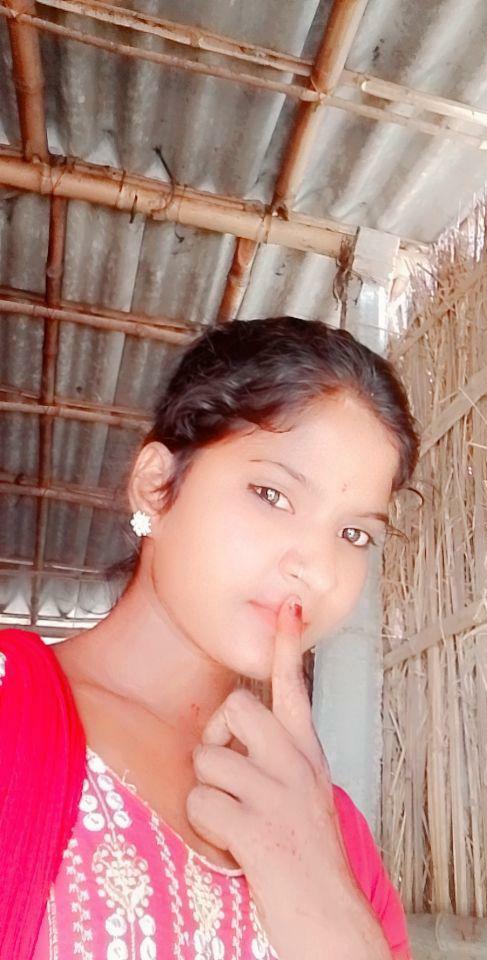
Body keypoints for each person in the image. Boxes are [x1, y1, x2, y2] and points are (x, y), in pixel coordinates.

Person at [0, 316, 418, 960]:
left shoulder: (332, 834)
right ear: (156, 486)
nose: (318, 569)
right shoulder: (12, 711)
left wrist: (325, 900)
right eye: (272, 494)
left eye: (355, 534)